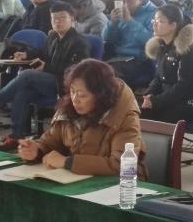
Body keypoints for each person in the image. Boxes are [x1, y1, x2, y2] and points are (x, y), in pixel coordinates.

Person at [0, 0, 90, 151]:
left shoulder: (80, 42)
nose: (57, 22)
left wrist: (47, 67)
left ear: (72, 18)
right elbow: (42, 53)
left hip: (65, 84)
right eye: (54, 18)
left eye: (62, 18)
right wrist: (26, 55)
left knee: (27, 75)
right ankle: (17, 136)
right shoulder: (53, 37)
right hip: (48, 81)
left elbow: (77, 69)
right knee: (22, 93)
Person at [17, 59, 145, 177]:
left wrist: (68, 162)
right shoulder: (68, 110)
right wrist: (36, 150)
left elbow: (122, 165)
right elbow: (50, 142)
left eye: (82, 95)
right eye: (72, 91)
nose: (75, 99)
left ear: (101, 96)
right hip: (77, 179)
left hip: (121, 186)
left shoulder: (124, 117)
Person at [142, 5, 193, 122]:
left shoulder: (188, 50)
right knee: (141, 114)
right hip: (169, 97)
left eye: (160, 21)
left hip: (190, 99)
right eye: (154, 20)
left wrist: (156, 101)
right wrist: (149, 95)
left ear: (173, 26)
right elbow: (158, 78)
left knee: (165, 119)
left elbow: (184, 86)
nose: (154, 24)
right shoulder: (162, 46)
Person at [104, 0, 157, 87]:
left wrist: (130, 22)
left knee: (109, 76)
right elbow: (107, 39)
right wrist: (112, 23)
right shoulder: (120, 13)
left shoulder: (154, 14)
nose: (125, 5)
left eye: (129, 1)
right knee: (91, 69)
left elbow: (151, 42)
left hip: (140, 60)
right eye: (123, 1)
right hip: (118, 57)